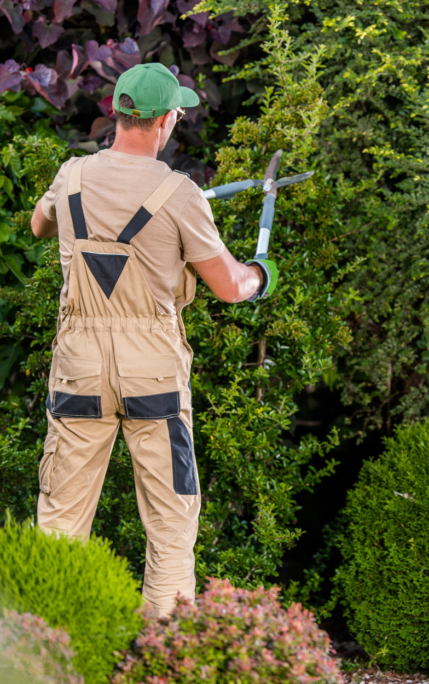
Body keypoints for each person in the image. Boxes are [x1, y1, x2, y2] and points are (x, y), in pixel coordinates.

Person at [29, 62, 278, 617]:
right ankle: (163, 657)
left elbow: (39, 226)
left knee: (60, 521)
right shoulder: (181, 194)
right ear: (166, 121)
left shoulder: (70, 177)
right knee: (170, 521)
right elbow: (231, 287)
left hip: (79, 365)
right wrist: (263, 273)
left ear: (116, 114)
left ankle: (45, 660)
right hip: (153, 373)